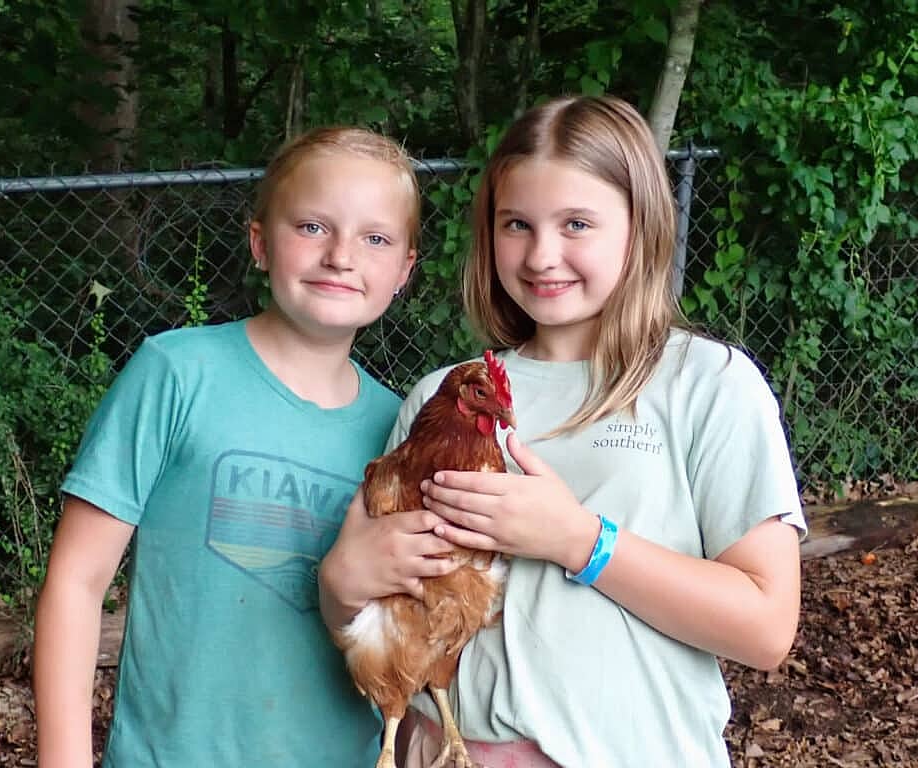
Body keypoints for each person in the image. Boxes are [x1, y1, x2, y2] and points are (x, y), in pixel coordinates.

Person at [319, 95, 807, 767]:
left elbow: (766, 628)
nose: (543, 254)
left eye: (577, 223)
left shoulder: (707, 383)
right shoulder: (444, 396)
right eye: (516, 224)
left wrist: (580, 541)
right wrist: (341, 585)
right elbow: (377, 611)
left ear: (641, 227)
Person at [32, 126, 428, 767]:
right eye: (312, 227)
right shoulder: (177, 372)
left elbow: (411, 632)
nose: (340, 256)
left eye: (375, 238)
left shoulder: (402, 430)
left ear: (404, 271)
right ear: (260, 243)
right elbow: (76, 582)